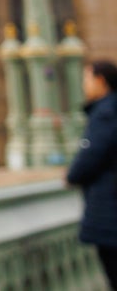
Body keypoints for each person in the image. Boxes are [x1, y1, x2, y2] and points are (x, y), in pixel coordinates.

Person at [68, 59, 117, 286]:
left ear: (101, 81)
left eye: (86, 79)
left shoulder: (105, 112)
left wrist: (71, 176)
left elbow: (92, 153)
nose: (84, 85)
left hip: (109, 212)